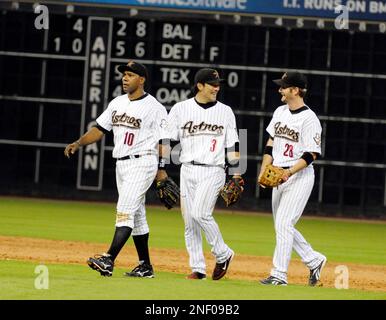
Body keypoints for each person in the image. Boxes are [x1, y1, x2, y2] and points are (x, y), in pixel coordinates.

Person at [64, 60, 171, 278]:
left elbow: (164, 141)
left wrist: (162, 169)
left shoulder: (154, 107)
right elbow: (100, 129)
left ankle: (109, 259)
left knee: (125, 210)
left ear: (141, 80)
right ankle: (145, 266)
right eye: (124, 74)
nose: (125, 78)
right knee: (138, 216)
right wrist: (79, 143)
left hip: (143, 162)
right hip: (121, 164)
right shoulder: (117, 103)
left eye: (130, 75)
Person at [165, 68, 243, 280]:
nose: (216, 87)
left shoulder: (225, 111)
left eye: (218, 84)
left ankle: (223, 254)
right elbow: (166, 140)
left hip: (213, 170)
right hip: (187, 169)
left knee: (200, 213)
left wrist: (236, 174)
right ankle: (198, 268)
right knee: (190, 222)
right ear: (199, 85)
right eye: (212, 84)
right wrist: (161, 170)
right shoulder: (180, 109)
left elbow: (234, 143)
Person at [258, 71, 327, 286]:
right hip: (276, 172)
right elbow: (271, 142)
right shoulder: (280, 111)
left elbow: (311, 154)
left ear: (295, 90)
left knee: (284, 223)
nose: (280, 90)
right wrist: (264, 169)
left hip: (298, 176)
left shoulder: (310, 119)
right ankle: (314, 259)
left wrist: (289, 172)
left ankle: (279, 274)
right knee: (282, 225)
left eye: (283, 87)